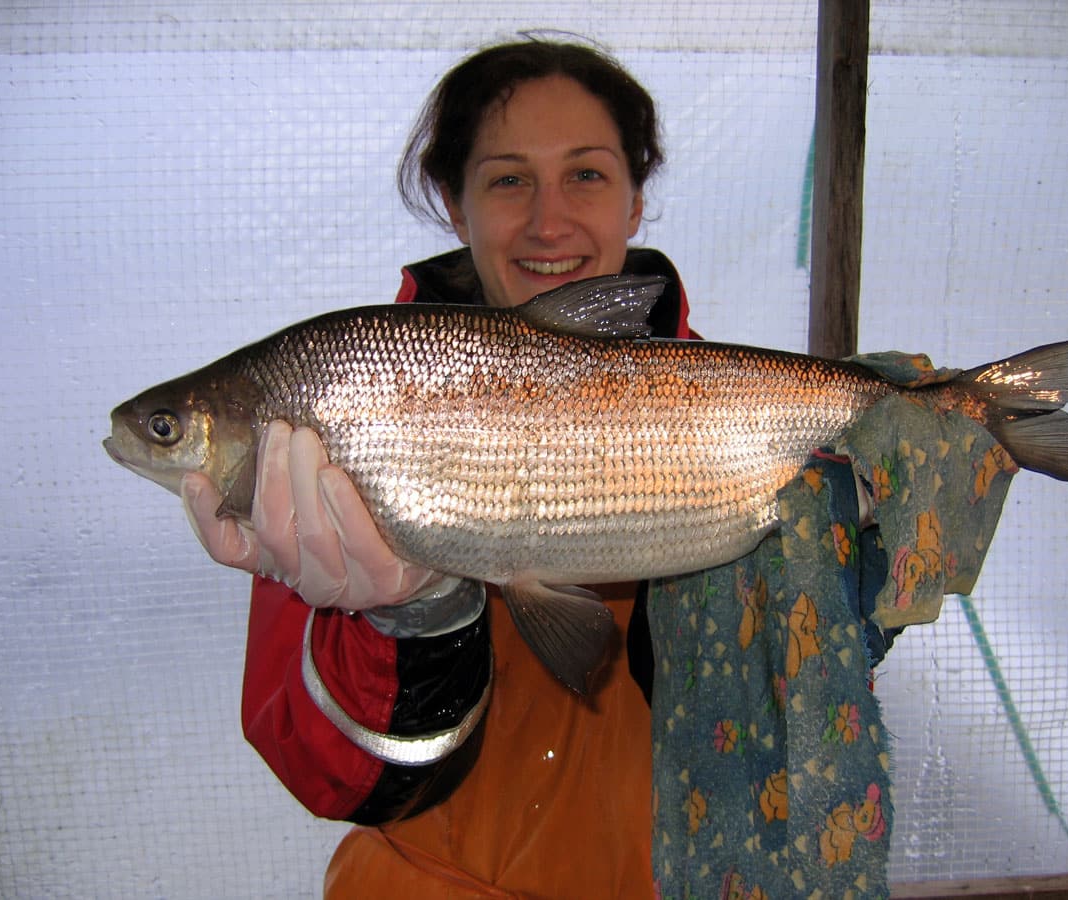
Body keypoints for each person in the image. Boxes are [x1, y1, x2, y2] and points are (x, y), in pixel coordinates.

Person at [180, 37, 1015, 899]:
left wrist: (856, 585)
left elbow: (786, 726)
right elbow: (326, 776)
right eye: (508, 179)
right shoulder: (337, 424)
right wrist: (410, 620)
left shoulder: (753, 427)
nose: (549, 221)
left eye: (586, 174)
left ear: (636, 198)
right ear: (453, 204)